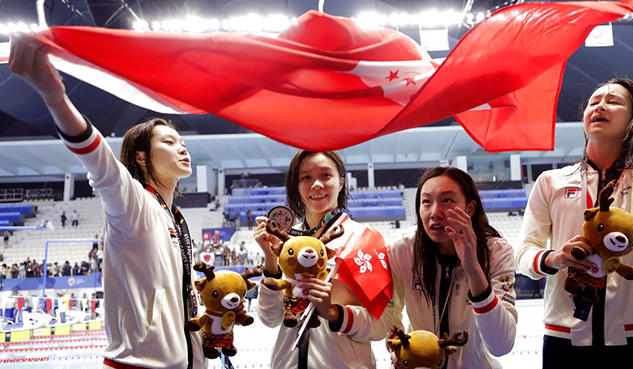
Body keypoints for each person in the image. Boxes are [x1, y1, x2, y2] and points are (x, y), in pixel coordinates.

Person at [7, 34, 240, 369]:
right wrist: (53, 95)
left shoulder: (174, 215)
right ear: (142, 158)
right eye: (170, 142)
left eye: (183, 142)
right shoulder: (134, 203)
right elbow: (99, 160)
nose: (182, 148)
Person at [514, 2, 633, 368]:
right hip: (564, 339)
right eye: (594, 101)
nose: (599, 106)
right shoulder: (551, 181)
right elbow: (524, 252)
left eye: (613, 101)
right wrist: (553, 257)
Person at [254, 150, 396, 368]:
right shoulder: (286, 242)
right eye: (306, 177)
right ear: (296, 186)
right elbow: (269, 319)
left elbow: (385, 323)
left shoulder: (364, 239)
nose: (316, 184)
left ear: (341, 182)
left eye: (326, 175)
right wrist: (270, 260)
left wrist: (335, 313)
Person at [387, 166, 517, 369]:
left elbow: (501, 345)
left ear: (470, 208)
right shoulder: (402, 249)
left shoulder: (497, 253)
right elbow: (389, 313)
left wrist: (473, 268)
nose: (435, 213)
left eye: (447, 200)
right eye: (426, 202)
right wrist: (398, 347)